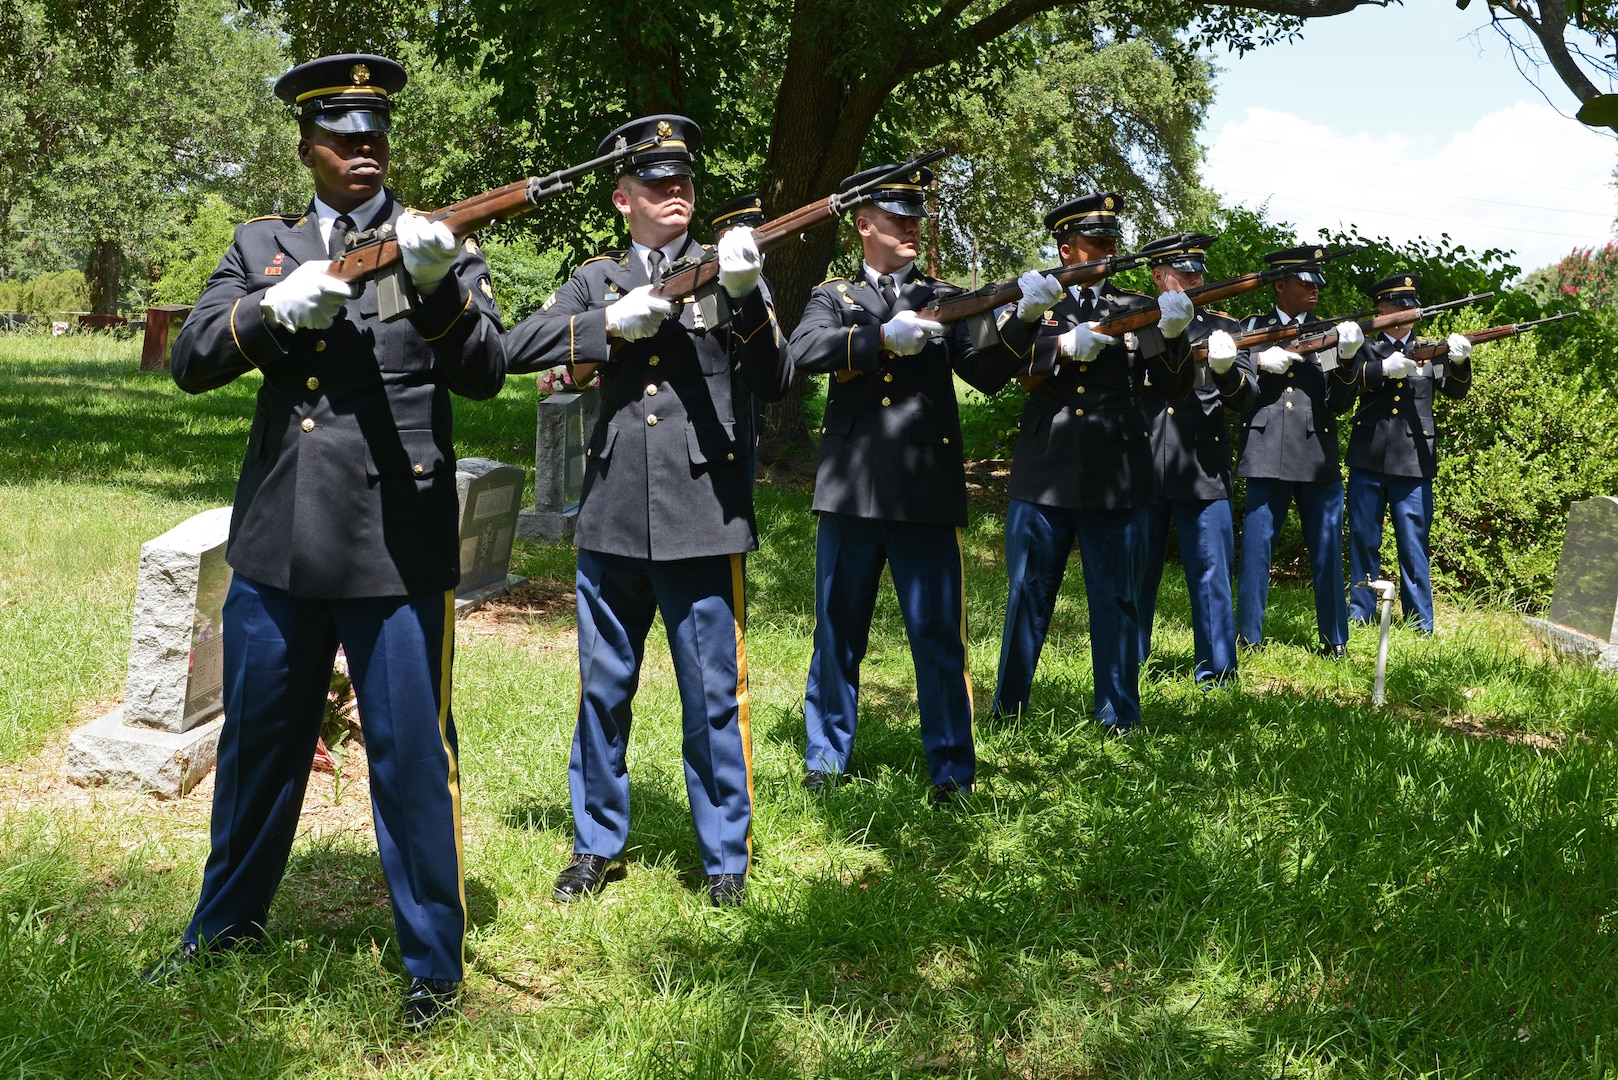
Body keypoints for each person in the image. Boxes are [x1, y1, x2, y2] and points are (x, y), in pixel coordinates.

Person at [154, 54, 505, 1030]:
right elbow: (190, 361)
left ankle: (433, 970)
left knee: (409, 761)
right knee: (257, 752)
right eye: (343, 138)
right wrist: (266, 312)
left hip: (395, 548)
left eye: (375, 137)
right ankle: (221, 936)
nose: (363, 152)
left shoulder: (434, 243)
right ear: (307, 148)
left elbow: (485, 371)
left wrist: (434, 288)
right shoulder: (260, 242)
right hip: (279, 544)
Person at [504, 116, 791, 907]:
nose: (676, 194)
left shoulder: (728, 267)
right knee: (603, 689)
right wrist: (604, 327)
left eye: (685, 183)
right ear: (622, 198)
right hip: (615, 514)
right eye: (658, 184)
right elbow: (516, 346)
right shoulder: (596, 279)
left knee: (712, 696)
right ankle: (596, 844)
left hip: (705, 514)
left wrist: (745, 295)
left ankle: (725, 857)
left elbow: (778, 378)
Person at [789, 164, 1006, 804]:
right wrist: (879, 337)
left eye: (916, 217)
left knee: (939, 636)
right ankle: (825, 758)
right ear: (864, 225)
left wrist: (1022, 318)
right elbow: (803, 352)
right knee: (836, 631)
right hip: (852, 489)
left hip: (924, 490)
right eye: (896, 217)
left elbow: (989, 373)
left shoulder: (942, 296)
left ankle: (951, 770)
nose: (911, 227)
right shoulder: (835, 296)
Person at [985, 193, 1197, 736]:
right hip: (1047, 464)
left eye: (1112, 243)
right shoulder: (1034, 299)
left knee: (1118, 598)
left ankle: (1119, 712)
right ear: (1066, 248)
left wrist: (1173, 337)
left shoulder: (1131, 307)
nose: (1107, 251)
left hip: (1117, 469)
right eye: (1096, 242)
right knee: (1028, 593)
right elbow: (1003, 367)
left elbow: (1172, 385)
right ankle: (1008, 708)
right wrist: (1056, 346)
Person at [1135, 232, 1257, 686]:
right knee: (1135, 575)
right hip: (1141, 463)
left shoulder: (1223, 328)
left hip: (1202, 465)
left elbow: (1247, 398)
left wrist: (1226, 373)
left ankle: (1218, 671)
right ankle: (1129, 660)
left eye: (1197, 274)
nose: (1194, 281)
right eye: (1184, 274)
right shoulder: (1133, 322)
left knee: (1211, 575)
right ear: (1159, 276)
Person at [1233, 245, 1364, 658]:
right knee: (1256, 551)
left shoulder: (1327, 332)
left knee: (1327, 548)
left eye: (1316, 283)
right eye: (1305, 283)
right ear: (1281, 286)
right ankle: (1248, 637)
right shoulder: (1252, 328)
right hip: (1266, 448)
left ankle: (1335, 639)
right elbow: (1235, 388)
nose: (1313, 291)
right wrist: (1256, 363)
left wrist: (1346, 360)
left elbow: (1340, 402)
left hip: (1315, 452)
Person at [1345, 273, 1473, 632]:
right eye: (1399, 305)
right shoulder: (1365, 348)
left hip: (1415, 462)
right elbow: (1346, 383)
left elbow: (1456, 389)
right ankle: (1361, 610)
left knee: (1414, 543)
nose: (1407, 311)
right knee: (1363, 538)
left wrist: (1461, 361)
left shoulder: (1430, 349)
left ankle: (1420, 620)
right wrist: (1380, 371)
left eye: (1412, 305)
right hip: (1368, 458)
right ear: (1382, 308)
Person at [704, 193, 771, 482]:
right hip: (717, 417)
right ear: (723, 237)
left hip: (747, 413)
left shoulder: (761, 281)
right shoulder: (705, 283)